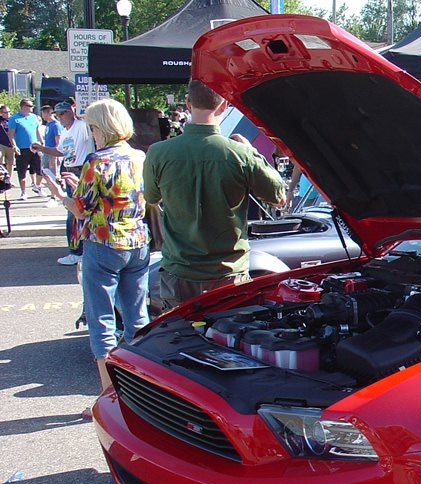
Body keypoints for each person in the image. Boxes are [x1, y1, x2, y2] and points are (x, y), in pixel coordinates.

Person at [144, 79, 286, 311]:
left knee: (178, 339)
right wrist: (252, 152)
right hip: (227, 272)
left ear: (188, 103)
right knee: (227, 340)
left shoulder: (158, 153)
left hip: (180, 271)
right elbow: (278, 195)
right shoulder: (240, 154)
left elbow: (151, 198)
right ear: (223, 106)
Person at [41, 99, 150, 402]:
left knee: (102, 319)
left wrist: (60, 193)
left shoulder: (96, 161)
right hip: (138, 241)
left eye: (92, 128)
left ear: (100, 128)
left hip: (104, 242)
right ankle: (143, 392)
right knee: (137, 319)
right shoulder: (140, 157)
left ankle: (109, 395)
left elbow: (80, 210)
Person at [32, 101, 95, 265]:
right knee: (73, 211)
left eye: (62, 113)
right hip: (70, 168)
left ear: (70, 112)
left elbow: (91, 126)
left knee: (76, 211)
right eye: (57, 114)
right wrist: (41, 148)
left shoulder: (81, 126)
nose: (59, 117)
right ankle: (77, 250)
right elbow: (60, 151)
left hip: (81, 169)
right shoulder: (66, 131)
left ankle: (78, 251)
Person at [7, 98, 44, 200]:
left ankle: (37, 186)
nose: (32, 108)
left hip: (35, 147)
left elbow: (38, 131)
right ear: (23, 107)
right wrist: (15, 146)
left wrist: (41, 142)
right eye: (30, 106)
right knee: (22, 171)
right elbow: (11, 134)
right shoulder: (14, 118)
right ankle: (23, 192)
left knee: (40, 169)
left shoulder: (33, 117)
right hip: (22, 148)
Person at [0, 104, 13, 178]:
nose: (7, 114)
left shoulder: (12, 120)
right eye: (5, 112)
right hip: (1, 143)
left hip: (10, 144)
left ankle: (9, 179)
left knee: (10, 163)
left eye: (8, 112)